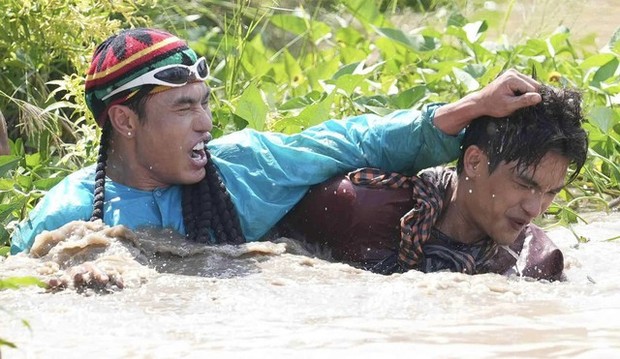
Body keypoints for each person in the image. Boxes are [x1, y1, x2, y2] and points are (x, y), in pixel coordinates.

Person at [9, 27, 541, 262]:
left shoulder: (242, 170)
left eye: (205, 102)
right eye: (184, 107)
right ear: (125, 120)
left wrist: (472, 106)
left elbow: (350, 140)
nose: (206, 124)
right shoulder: (66, 215)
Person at [278, 84, 588, 281]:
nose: (535, 208)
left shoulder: (533, 262)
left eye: (550, 193)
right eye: (524, 184)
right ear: (475, 162)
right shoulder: (364, 209)